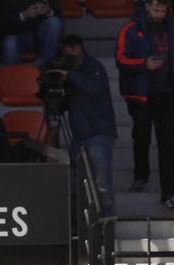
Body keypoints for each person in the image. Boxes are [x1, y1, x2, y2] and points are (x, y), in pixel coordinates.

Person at [116, 0, 174, 211]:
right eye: (156, 10)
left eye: (163, 10)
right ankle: (141, 175)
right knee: (142, 136)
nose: (160, 14)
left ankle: (169, 193)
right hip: (140, 94)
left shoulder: (173, 27)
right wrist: (143, 64)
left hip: (166, 93)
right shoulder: (130, 28)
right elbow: (120, 59)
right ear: (146, 6)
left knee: (166, 144)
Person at [59, 34, 117, 211]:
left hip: (99, 134)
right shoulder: (68, 73)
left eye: (74, 56)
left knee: (102, 186)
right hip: (78, 137)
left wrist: (70, 75)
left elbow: (95, 88)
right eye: (67, 56)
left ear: (81, 49)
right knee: (79, 186)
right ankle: (85, 228)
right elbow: (64, 105)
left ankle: (107, 230)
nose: (72, 60)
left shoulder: (94, 67)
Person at [2, 0, 61, 67]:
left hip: (41, 36)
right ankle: (13, 74)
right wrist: (24, 15)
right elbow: (3, 23)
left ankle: (48, 67)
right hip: (17, 35)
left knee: (54, 23)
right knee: (9, 43)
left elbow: (59, 15)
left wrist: (49, 12)